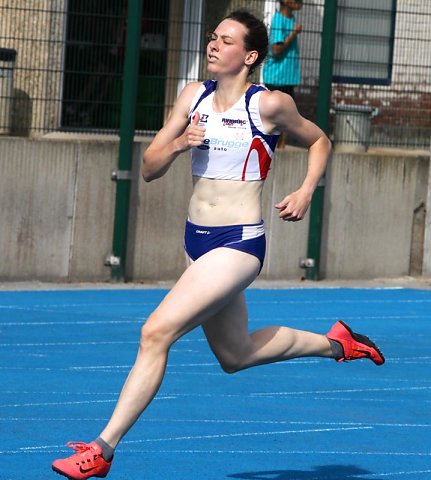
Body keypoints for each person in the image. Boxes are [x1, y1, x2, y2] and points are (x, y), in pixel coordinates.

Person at [51, 9, 385, 480]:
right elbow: (148, 166)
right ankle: (338, 344)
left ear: (249, 56)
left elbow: (321, 140)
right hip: (196, 241)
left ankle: (102, 449)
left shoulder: (269, 105)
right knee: (236, 356)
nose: (213, 45)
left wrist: (306, 190)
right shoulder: (193, 96)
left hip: (239, 243)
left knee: (155, 333)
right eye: (212, 37)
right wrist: (178, 144)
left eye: (225, 40)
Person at [263, 0, 303, 149]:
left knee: (289, 113)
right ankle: (270, 145)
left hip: (288, 77)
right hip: (276, 77)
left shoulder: (291, 18)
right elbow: (276, 50)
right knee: (274, 114)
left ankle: (282, 146)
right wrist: (293, 33)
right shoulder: (278, 20)